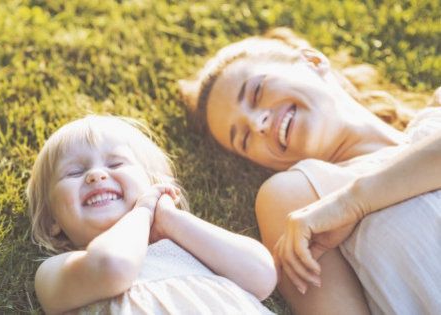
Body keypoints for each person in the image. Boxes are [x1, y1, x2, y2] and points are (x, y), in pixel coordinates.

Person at [179, 28, 441, 315]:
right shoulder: (299, 198)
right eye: (244, 139)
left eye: (256, 92)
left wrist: (354, 202)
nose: (258, 123)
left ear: (312, 62)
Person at [26, 115, 277, 314]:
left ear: (154, 185)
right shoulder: (59, 270)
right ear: (52, 222)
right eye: (73, 172)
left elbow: (262, 276)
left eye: (115, 164)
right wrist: (143, 211)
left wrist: (170, 218)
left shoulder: (192, 246)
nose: (96, 175)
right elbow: (113, 266)